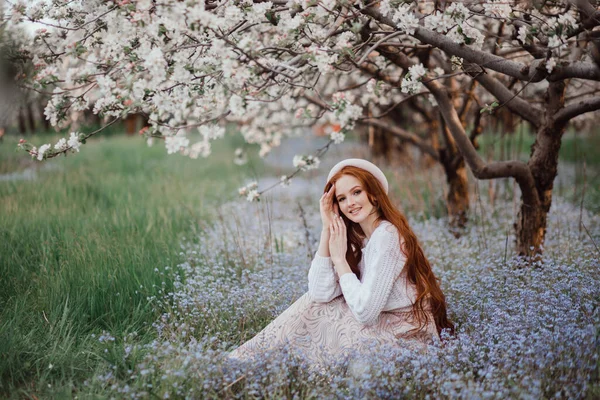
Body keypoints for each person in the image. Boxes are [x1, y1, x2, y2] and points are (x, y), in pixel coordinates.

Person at [228, 159, 454, 365]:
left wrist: (339, 260)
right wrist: (327, 226)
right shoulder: (360, 237)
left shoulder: (387, 236)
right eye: (342, 198)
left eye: (357, 192)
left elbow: (366, 312)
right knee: (314, 306)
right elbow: (319, 293)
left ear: (374, 194)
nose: (351, 203)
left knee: (322, 318)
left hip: (406, 334)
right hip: (383, 324)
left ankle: (248, 363)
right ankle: (251, 362)